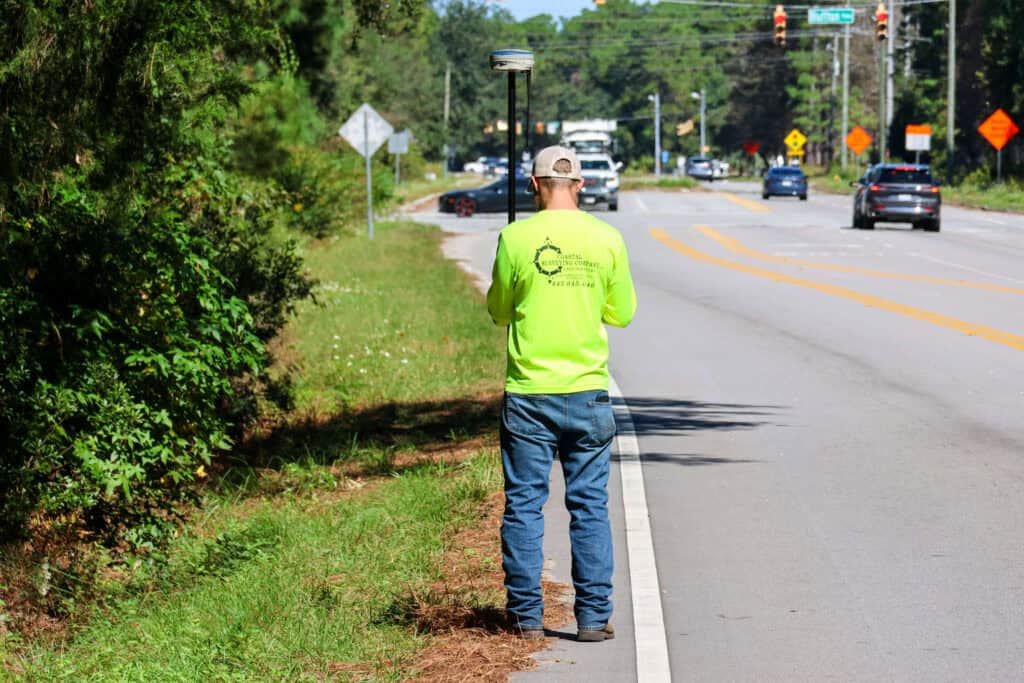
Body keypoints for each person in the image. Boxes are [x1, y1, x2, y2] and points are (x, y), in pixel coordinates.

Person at [486, 145, 637, 642]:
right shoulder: (607, 237)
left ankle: (527, 616)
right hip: (588, 393)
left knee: (525, 505)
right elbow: (621, 313)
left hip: (529, 394)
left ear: (532, 185)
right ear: (581, 185)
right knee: (589, 506)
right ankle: (593, 617)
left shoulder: (514, 237)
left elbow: (499, 310)